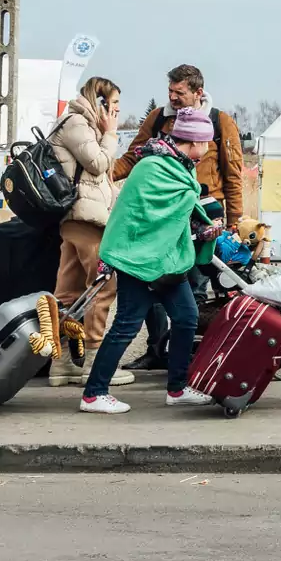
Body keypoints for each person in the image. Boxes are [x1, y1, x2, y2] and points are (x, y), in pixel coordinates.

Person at [78, 107, 220, 413]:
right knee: (126, 325)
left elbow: (176, 214)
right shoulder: (150, 168)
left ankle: (178, 388)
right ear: (193, 141)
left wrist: (203, 228)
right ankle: (94, 393)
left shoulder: (183, 169)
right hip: (138, 260)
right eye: (205, 142)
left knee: (186, 318)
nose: (207, 148)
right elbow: (136, 215)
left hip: (169, 260)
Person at [113, 64, 246, 370]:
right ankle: (158, 351)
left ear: (198, 92)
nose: (172, 97)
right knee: (154, 280)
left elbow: (234, 175)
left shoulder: (219, 122)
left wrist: (236, 222)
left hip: (202, 217)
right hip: (161, 217)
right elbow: (135, 156)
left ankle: (186, 357)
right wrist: (102, 176)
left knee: (193, 287)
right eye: (169, 91)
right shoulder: (159, 118)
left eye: (179, 92)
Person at [45, 76, 133, 388]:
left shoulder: (79, 125)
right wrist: (110, 135)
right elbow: (96, 164)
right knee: (102, 286)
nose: (117, 114)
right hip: (86, 218)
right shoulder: (76, 123)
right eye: (115, 106)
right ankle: (94, 362)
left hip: (78, 217)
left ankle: (62, 363)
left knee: (68, 291)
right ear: (101, 103)